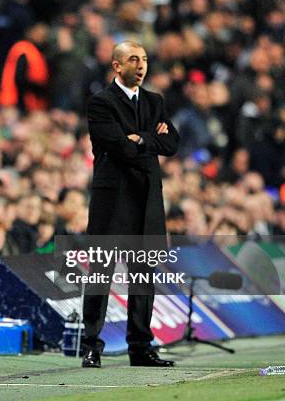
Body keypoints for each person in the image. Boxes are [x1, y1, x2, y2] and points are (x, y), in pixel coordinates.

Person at [82, 41, 179, 368]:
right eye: (133, 59)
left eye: (145, 60)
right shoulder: (100, 102)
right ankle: (91, 345)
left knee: (143, 277)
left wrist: (142, 139)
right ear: (116, 66)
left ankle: (140, 347)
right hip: (112, 202)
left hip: (147, 200)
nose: (141, 65)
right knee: (100, 276)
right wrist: (148, 139)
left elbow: (172, 142)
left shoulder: (155, 101)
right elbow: (118, 146)